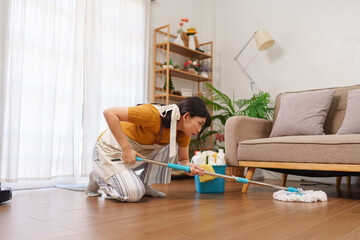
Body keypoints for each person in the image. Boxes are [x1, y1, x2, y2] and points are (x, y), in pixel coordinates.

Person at [86, 96, 211, 202]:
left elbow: (183, 159)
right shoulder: (153, 114)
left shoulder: (183, 132)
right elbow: (109, 113)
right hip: (108, 151)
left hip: (134, 154)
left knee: (169, 145)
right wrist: (126, 148)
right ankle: (99, 175)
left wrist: (189, 167)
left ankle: (143, 184)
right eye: (200, 123)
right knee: (133, 194)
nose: (199, 130)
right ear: (186, 116)